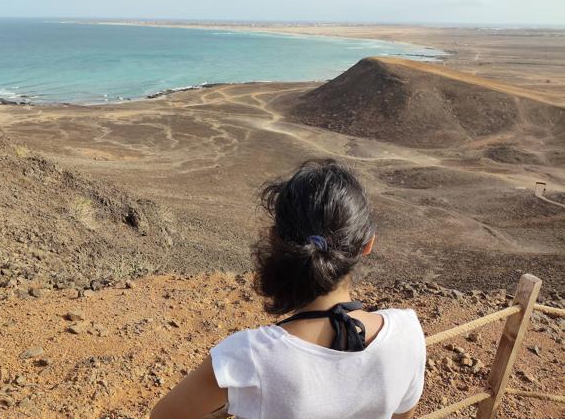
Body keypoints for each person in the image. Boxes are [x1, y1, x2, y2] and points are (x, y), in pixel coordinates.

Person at [151, 159, 426, 419]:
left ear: (276, 240)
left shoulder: (248, 356)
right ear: (368, 245)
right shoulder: (407, 333)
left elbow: (163, 416)